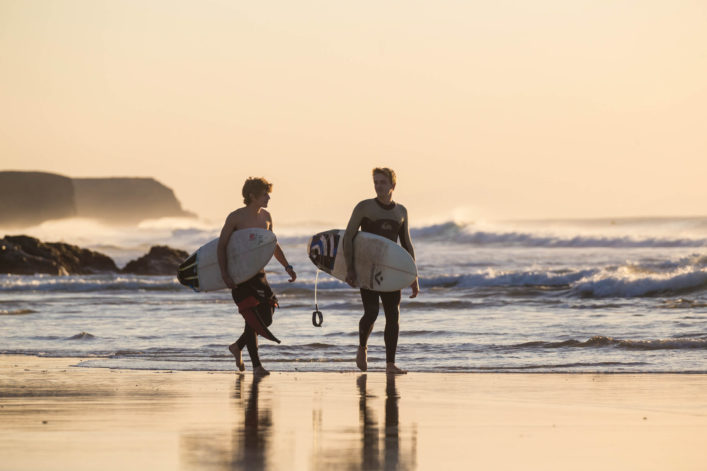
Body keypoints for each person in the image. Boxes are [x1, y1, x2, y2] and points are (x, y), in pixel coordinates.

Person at [343, 168, 419, 375]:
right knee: (372, 312)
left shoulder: (401, 211)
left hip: (390, 270)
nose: (378, 186)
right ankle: (362, 347)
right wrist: (349, 268)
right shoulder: (364, 207)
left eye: (383, 182)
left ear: (393, 186)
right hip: (366, 268)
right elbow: (348, 237)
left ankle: (390, 364)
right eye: (376, 182)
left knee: (393, 315)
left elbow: (406, 245)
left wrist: (413, 276)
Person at [218, 177, 296, 376]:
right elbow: (221, 246)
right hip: (240, 275)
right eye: (264, 194)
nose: (268, 197)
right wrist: (225, 273)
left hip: (259, 274)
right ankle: (257, 366)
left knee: (266, 317)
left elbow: (272, 244)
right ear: (252, 196)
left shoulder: (267, 217)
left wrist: (287, 266)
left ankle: (237, 347)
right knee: (251, 319)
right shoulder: (235, 218)